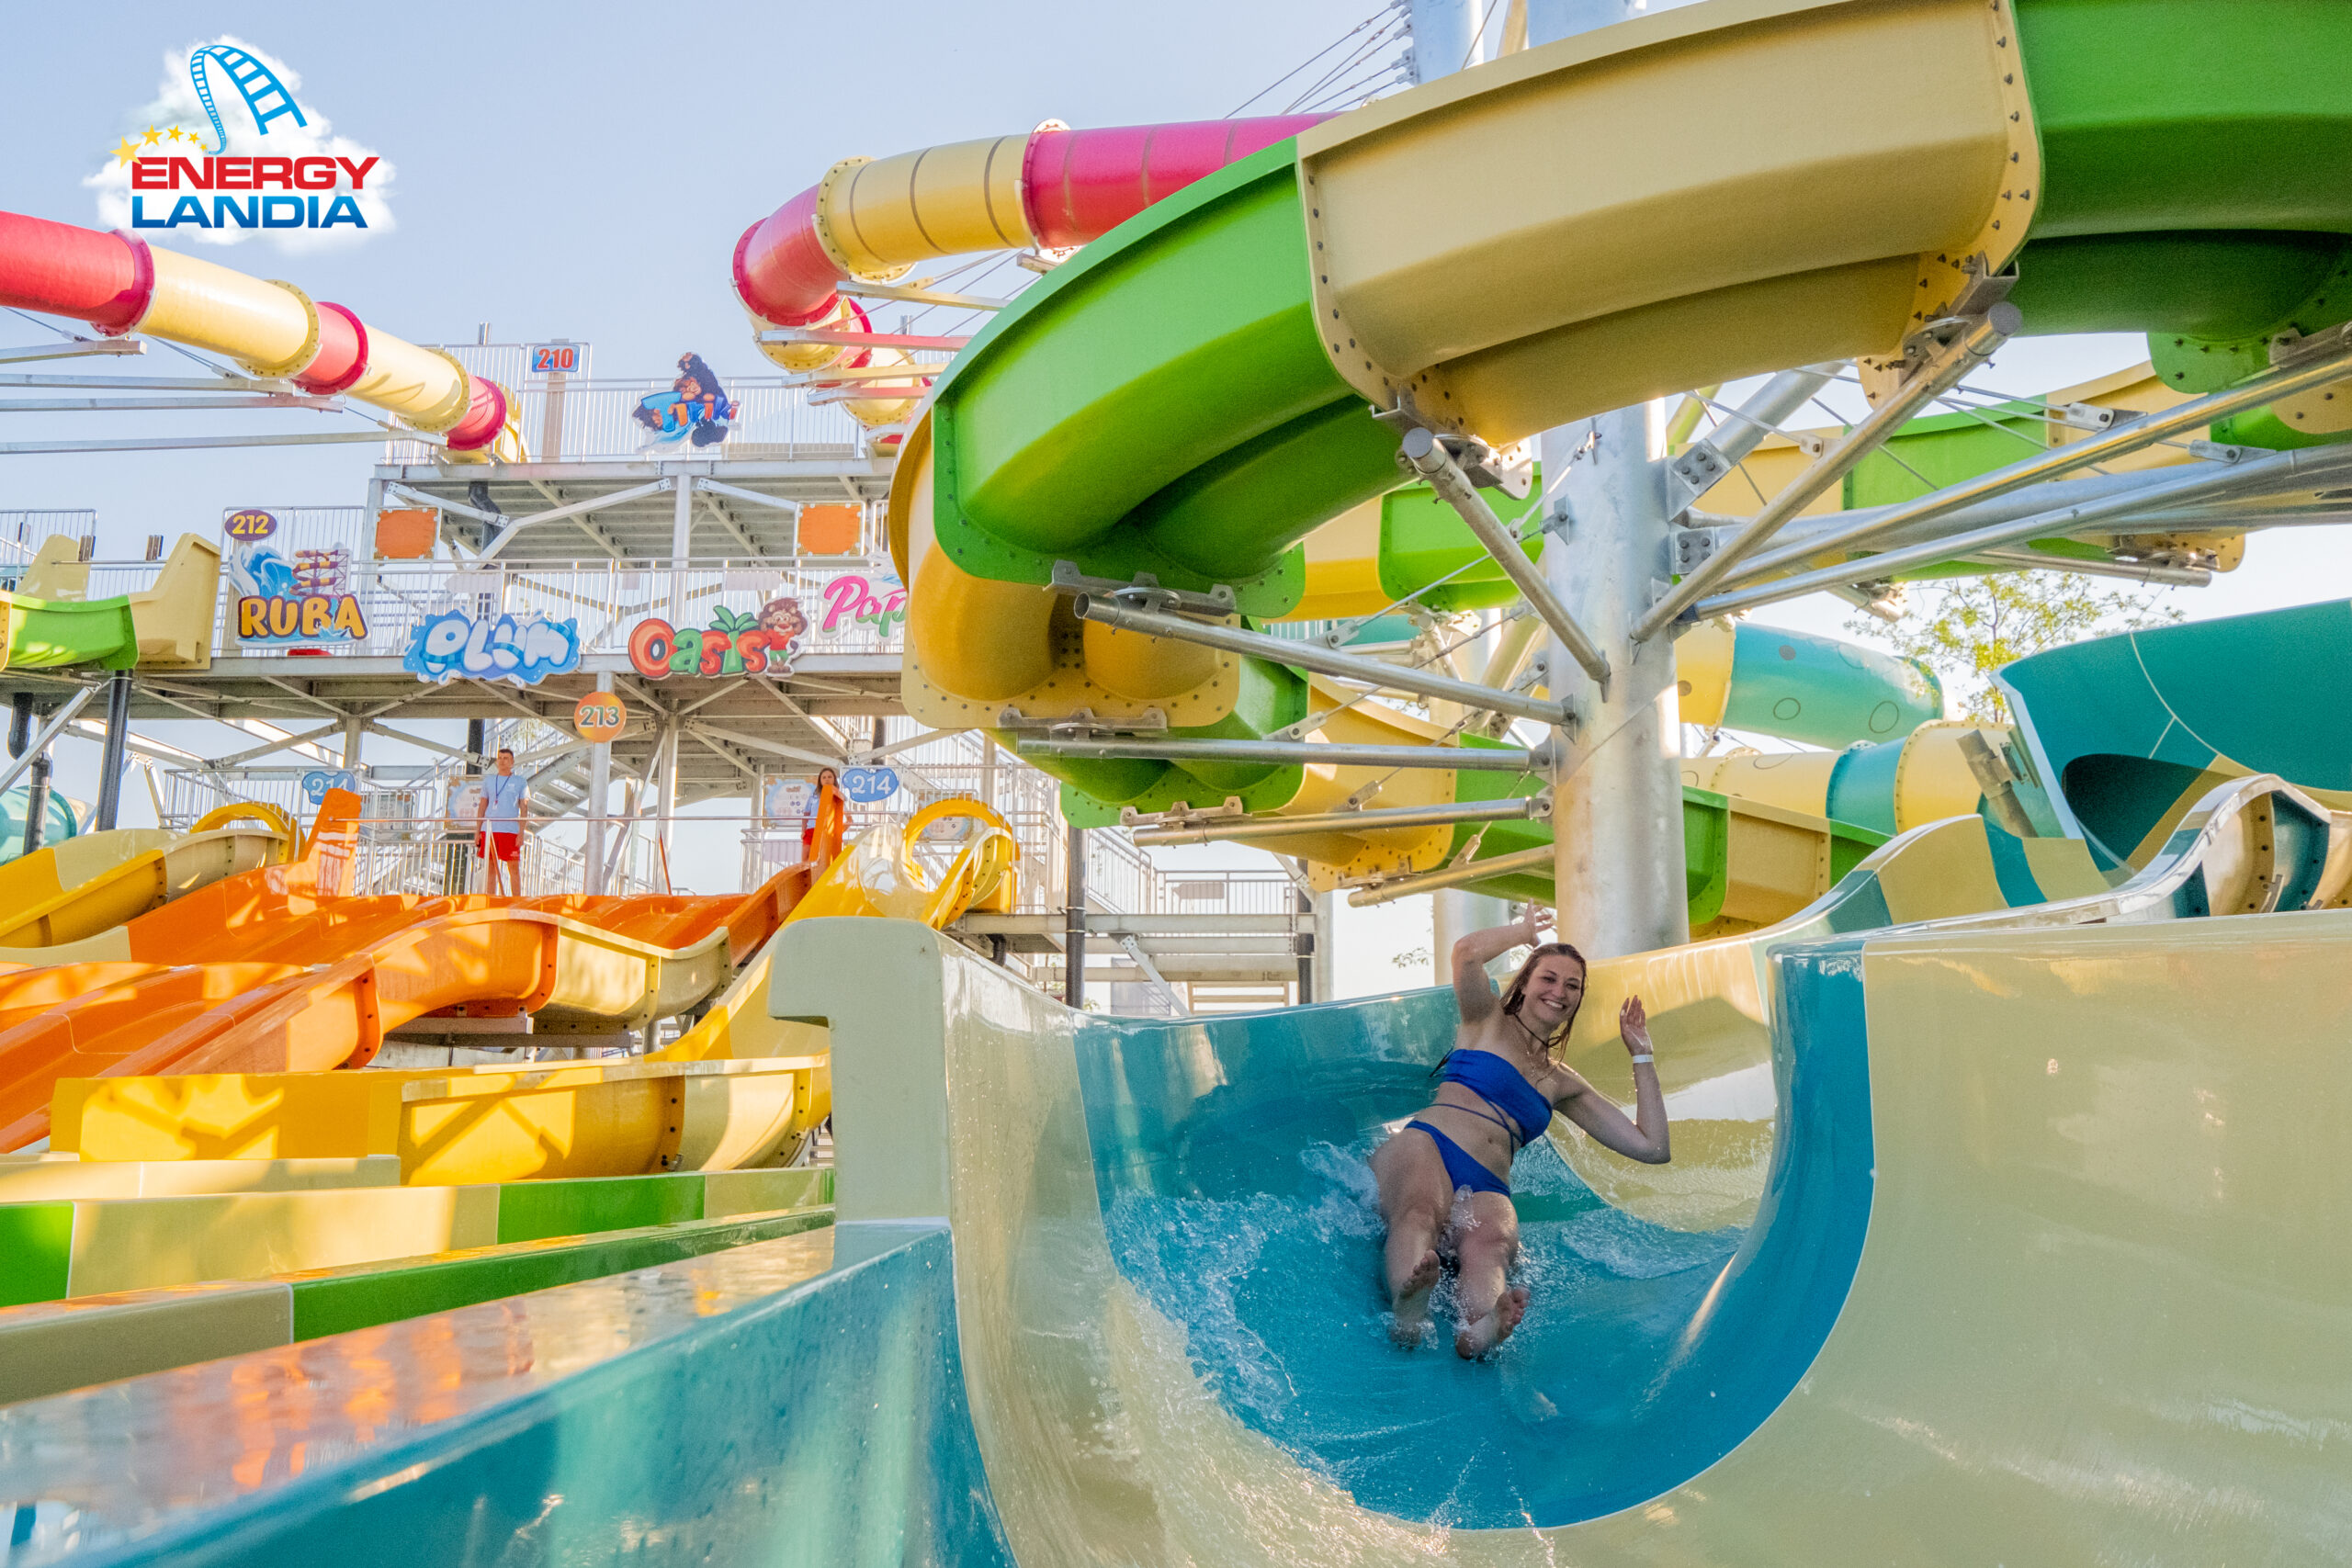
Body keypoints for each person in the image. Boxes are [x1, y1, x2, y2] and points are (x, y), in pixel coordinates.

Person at [1369, 906, 1669, 1358]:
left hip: (1488, 1182)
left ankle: (1479, 1328)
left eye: (1572, 986)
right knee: (1419, 1212)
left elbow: (1652, 1147)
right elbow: (1466, 954)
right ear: (1525, 983)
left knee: (1493, 1242)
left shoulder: (1561, 1081)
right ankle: (1408, 1311)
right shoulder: (1485, 1019)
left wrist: (1642, 1055)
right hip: (1429, 1143)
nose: (1559, 991)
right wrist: (1523, 931)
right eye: (1548, 978)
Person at [474, 747, 530, 896]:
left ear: (512, 762)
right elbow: (482, 806)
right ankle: (491, 899)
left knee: (513, 867)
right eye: (500, 758)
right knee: (491, 867)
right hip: (490, 828)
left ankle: (516, 900)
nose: (502, 761)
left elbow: (524, 809)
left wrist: (521, 833)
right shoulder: (489, 780)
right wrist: (478, 831)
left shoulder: (520, 781)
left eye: (506, 758)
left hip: (510, 830)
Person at [801, 766, 847, 869]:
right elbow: (806, 813)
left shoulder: (838, 796)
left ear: (834, 779)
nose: (827, 779)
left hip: (826, 831)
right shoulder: (814, 795)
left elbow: (849, 819)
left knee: (822, 858)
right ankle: (807, 879)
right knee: (805, 856)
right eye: (824, 777)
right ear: (820, 780)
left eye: (830, 777)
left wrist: (838, 831)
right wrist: (803, 830)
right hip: (811, 829)